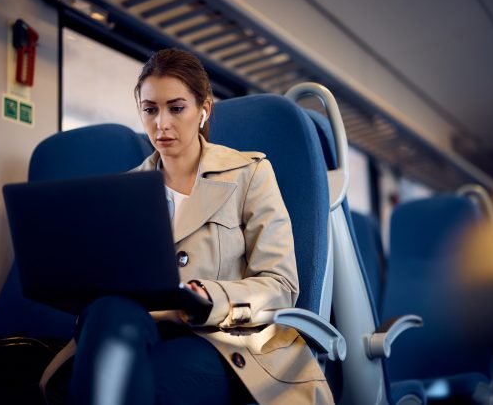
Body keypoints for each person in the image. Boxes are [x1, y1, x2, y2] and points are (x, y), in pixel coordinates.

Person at [43, 48, 333, 405]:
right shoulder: (124, 189)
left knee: (125, 387)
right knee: (106, 312)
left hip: (222, 340)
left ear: (203, 110)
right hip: (139, 330)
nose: (161, 123)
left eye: (176, 108)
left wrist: (210, 297)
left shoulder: (249, 174)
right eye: (150, 110)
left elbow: (280, 285)